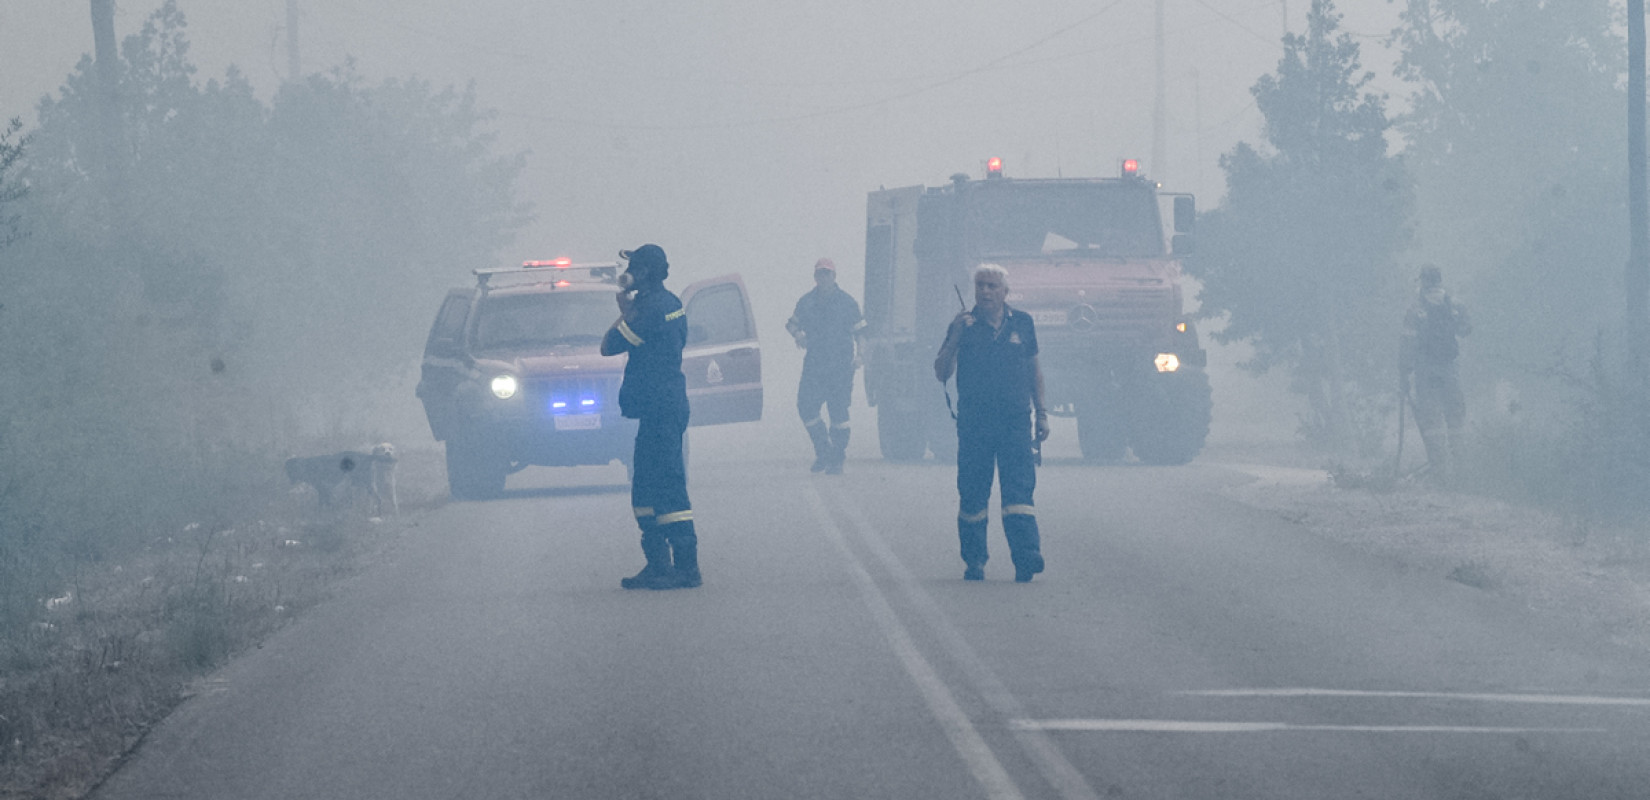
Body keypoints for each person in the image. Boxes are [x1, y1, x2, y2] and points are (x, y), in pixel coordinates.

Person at [933, 263, 1049, 582]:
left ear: (1005, 292)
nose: (985, 291)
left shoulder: (1022, 323)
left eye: (992, 286)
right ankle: (974, 560)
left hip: (1015, 423)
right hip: (975, 425)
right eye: (980, 285)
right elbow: (941, 372)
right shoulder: (962, 326)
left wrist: (1041, 413)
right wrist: (956, 337)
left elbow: (1034, 371)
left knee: (1019, 493)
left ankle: (1026, 557)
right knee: (973, 494)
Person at [601, 244, 700, 590]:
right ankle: (658, 564)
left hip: (661, 408)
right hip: (660, 407)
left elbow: (609, 345)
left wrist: (625, 310)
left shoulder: (650, 309)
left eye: (634, 267)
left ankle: (686, 567)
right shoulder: (669, 303)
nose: (628, 273)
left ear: (645, 272)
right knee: (645, 486)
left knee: (668, 487)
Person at [786, 257, 866, 474]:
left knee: (838, 412)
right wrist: (798, 334)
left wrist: (860, 356)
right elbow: (791, 325)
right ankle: (823, 451)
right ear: (815, 276)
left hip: (841, 367)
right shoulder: (806, 302)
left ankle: (837, 458)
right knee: (806, 406)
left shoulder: (847, 303)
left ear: (834, 276)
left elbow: (860, 333)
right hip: (814, 365)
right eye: (820, 273)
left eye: (827, 273)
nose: (823, 277)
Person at [1399, 264, 1471, 484]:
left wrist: (1404, 372)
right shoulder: (1455, 304)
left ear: (1423, 281)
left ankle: (1440, 472)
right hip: (1450, 368)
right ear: (1440, 280)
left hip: (1426, 370)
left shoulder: (1415, 309)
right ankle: (1462, 469)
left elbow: (1408, 343)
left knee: (1432, 422)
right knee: (1455, 418)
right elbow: (1466, 330)